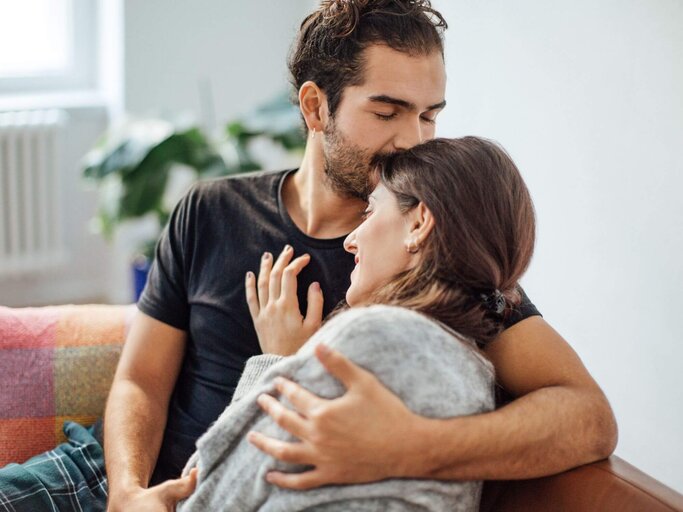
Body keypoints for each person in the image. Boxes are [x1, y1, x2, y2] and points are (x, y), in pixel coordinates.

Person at [0, 1, 616, 511]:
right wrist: (129, 493)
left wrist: (413, 445)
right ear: (316, 107)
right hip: (102, 480)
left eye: (429, 115)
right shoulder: (209, 211)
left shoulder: (431, 251)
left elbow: (587, 416)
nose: (415, 140)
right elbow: (139, 379)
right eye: (387, 111)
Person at [176, 136, 535, 511]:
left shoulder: (371, 336)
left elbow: (204, 495)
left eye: (370, 212)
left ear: (419, 223)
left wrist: (276, 362)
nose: (350, 240)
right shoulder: (475, 371)